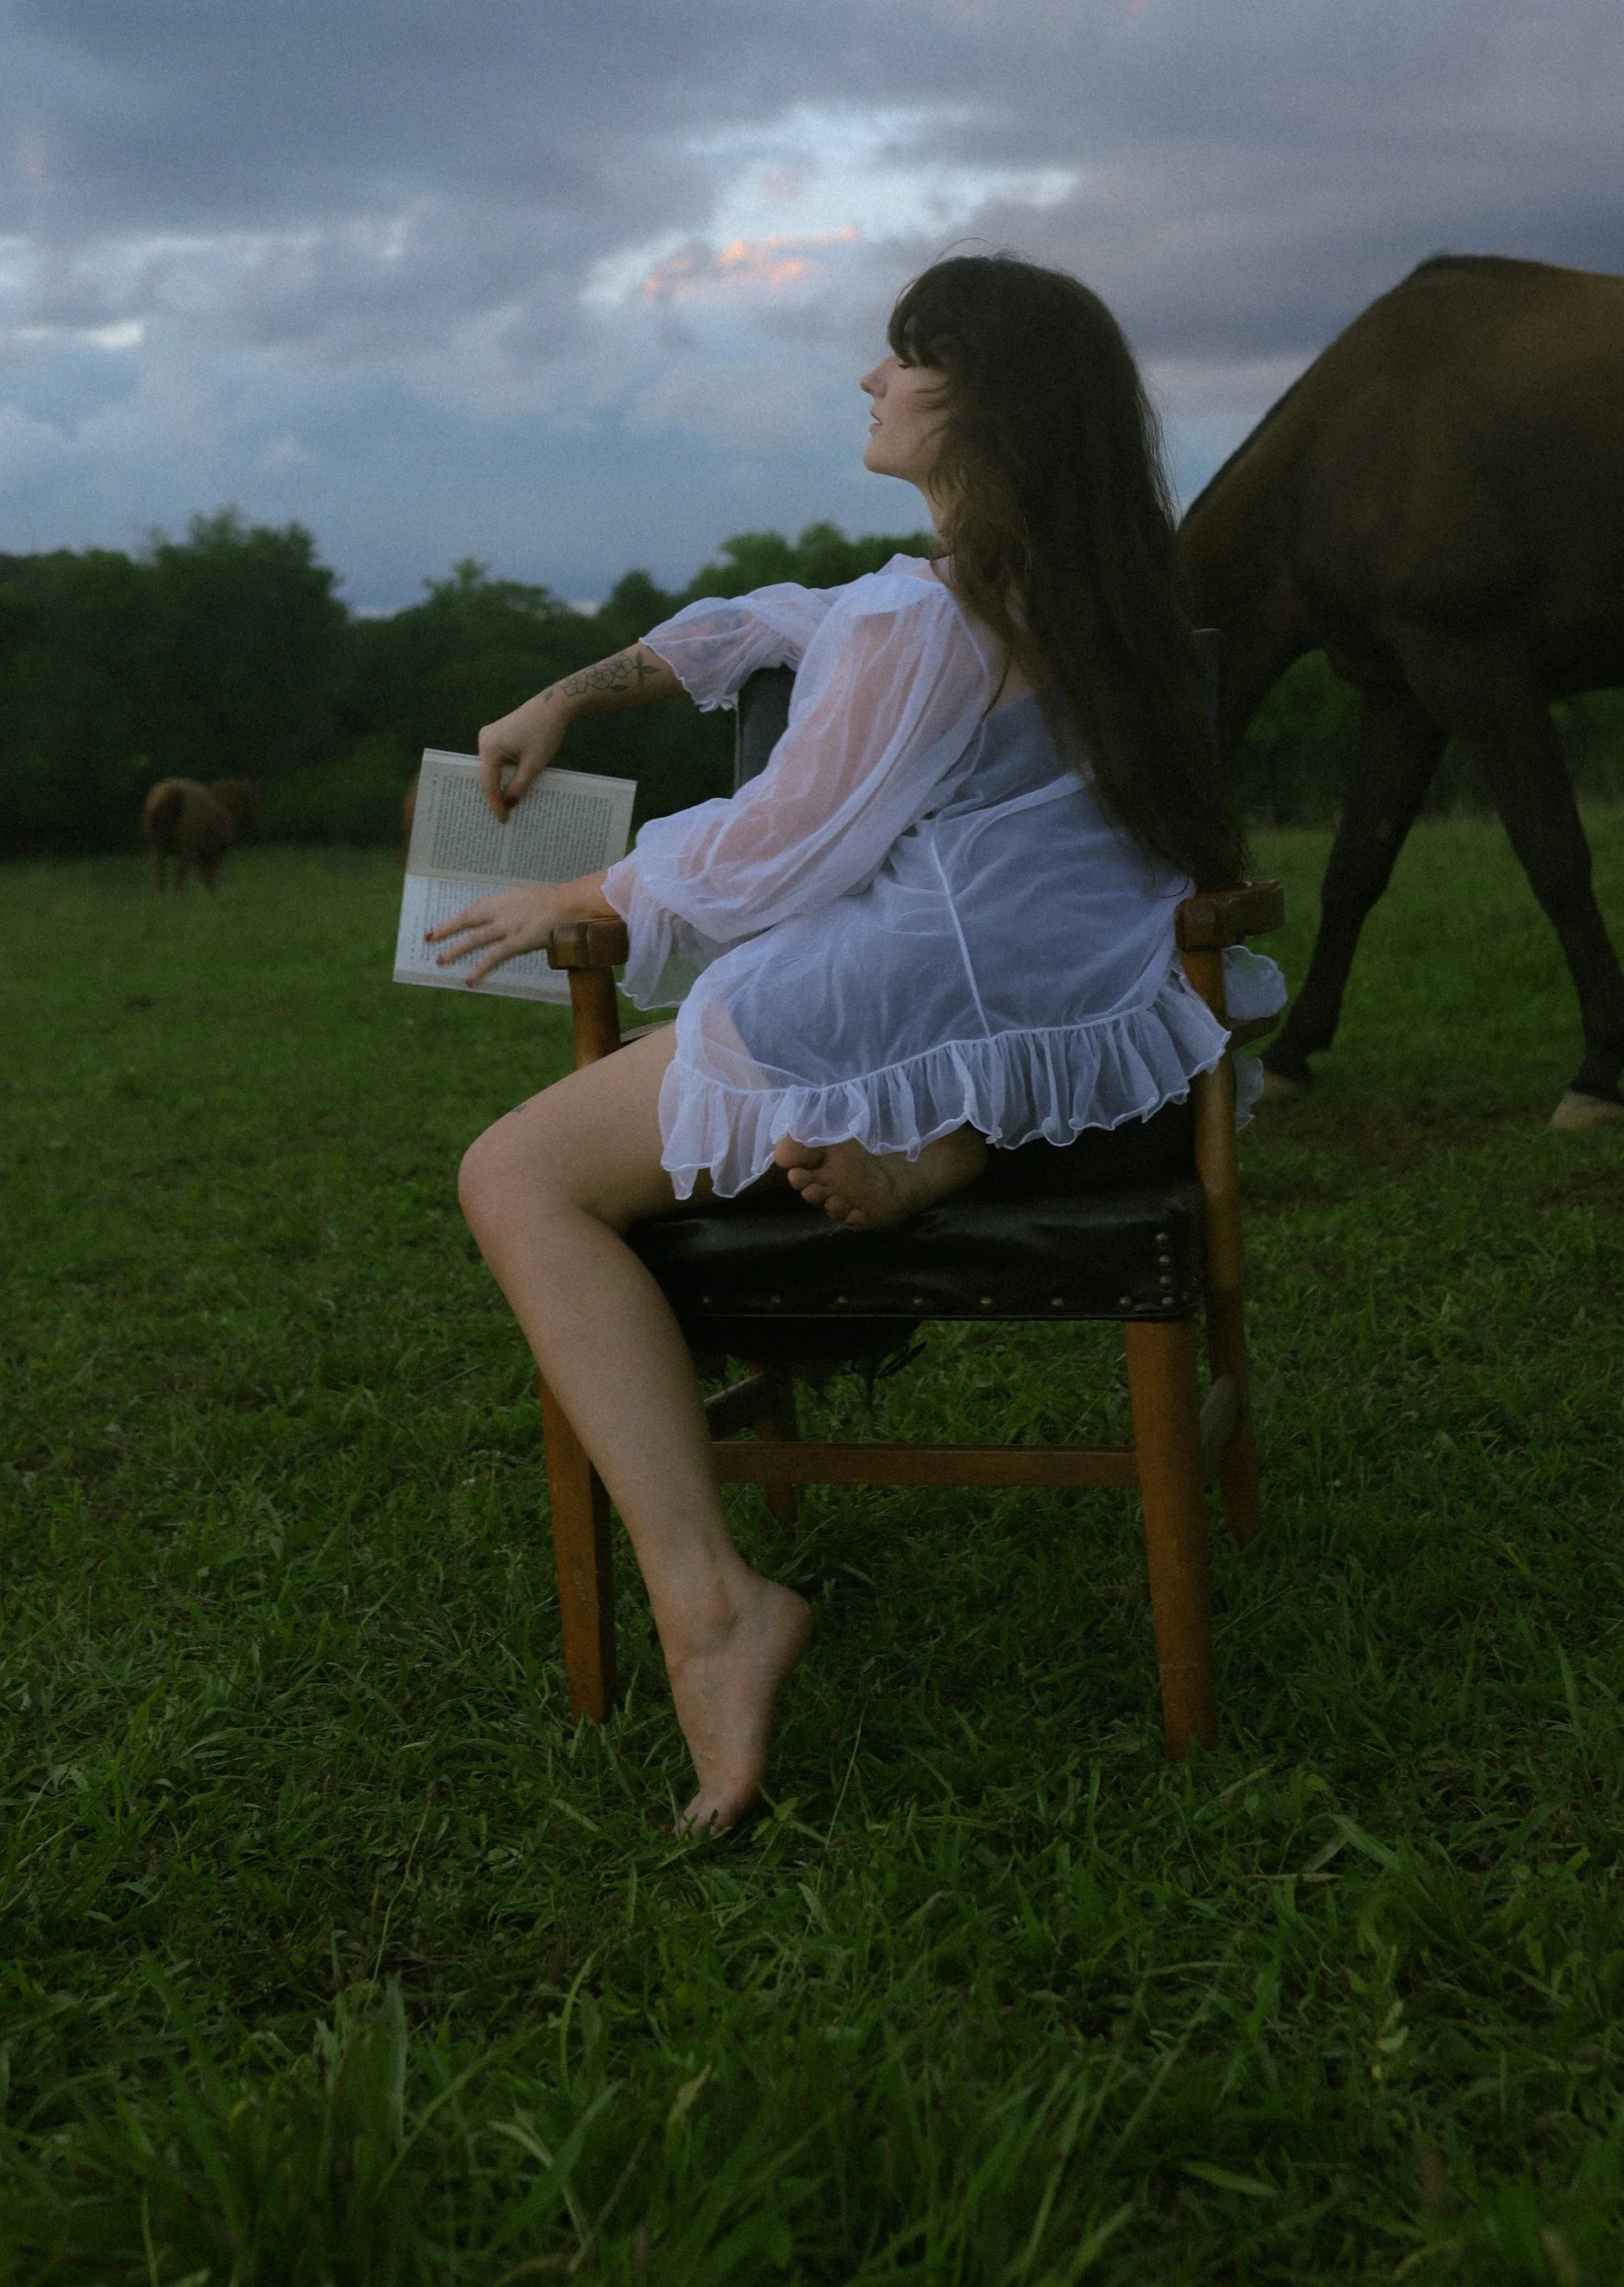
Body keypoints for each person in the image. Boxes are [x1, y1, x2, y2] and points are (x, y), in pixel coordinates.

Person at [434, 253, 1255, 1830]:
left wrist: (577, 892)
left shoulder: (922, 623)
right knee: (804, 1010)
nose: (869, 384)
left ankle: (713, 1606)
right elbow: (772, 621)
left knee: (516, 1177)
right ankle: (944, 1148)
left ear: (982, 404)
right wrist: (572, 694)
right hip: (1079, 1000)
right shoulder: (1086, 600)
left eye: (902, 360)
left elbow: (786, 845)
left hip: (907, 985)